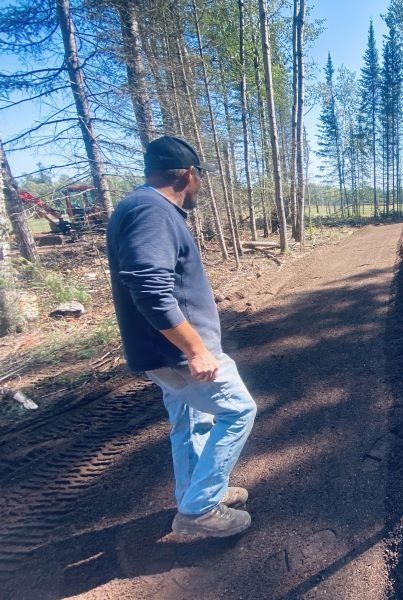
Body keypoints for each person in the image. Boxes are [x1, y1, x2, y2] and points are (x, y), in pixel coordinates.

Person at [107, 136, 256, 538]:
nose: (200, 187)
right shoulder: (151, 210)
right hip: (179, 354)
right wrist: (195, 349)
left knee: (191, 421)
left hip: (165, 352)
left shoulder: (140, 207)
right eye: (200, 178)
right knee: (239, 410)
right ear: (189, 175)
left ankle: (197, 493)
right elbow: (149, 286)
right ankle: (199, 512)